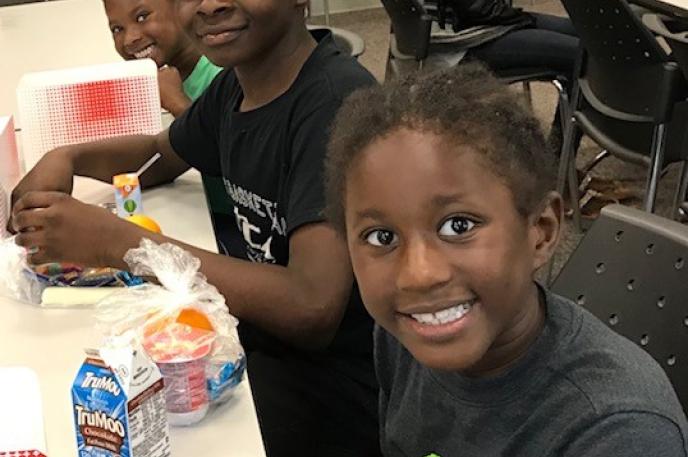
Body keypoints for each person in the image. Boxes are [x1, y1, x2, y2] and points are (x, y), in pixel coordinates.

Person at [10, 1, 380, 456]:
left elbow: (311, 307)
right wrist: (67, 157)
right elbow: (159, 154)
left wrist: (121, 243)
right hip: (268, 342)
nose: (209, 4)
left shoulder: (333, 105)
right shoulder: (237, 87)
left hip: (335, 391)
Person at [324, 63, 688, 457]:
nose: (417, 276)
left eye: (458, 225)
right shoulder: (405, 333)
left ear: (541, 231)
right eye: (382, 237)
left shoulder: (619, 432)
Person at [103, 0, 222, 116]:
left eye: (142, 17)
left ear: (181, 7)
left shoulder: (228, 73)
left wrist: (178, 104)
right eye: (117, 29)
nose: (129, 39)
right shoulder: (145, 92)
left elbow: (227, 135)